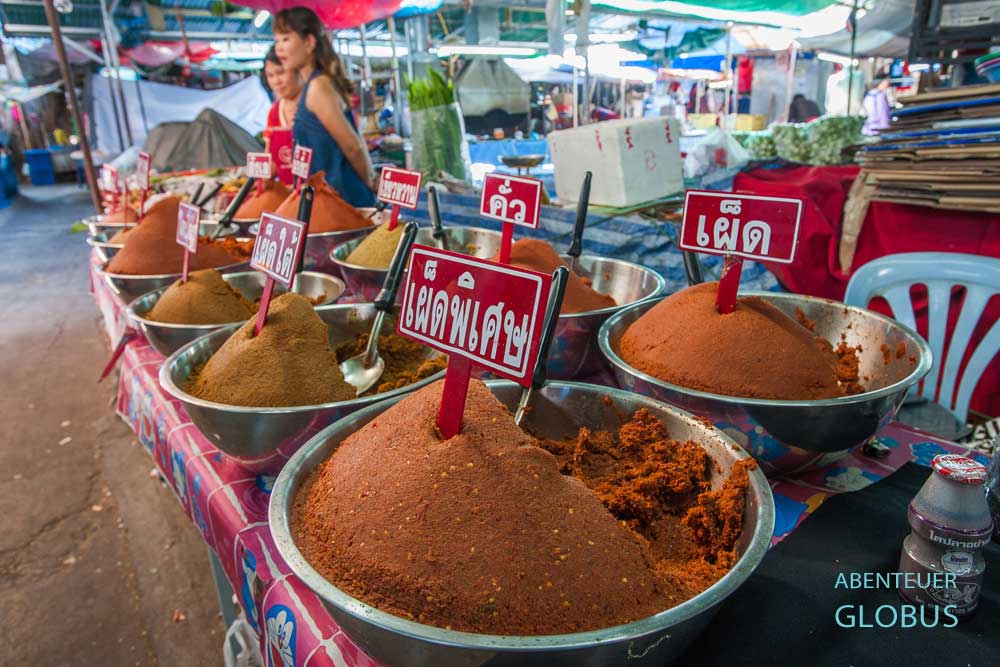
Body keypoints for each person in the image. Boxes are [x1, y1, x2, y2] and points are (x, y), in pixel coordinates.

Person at [272, 7, 375, 206]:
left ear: (309, 42)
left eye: (286, 39)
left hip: (344, 202)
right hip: (328, 202)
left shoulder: (318, 87)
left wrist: (372, 181)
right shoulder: (312, 85)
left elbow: (352, 146)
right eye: (277, 41)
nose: (279, 49)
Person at [261, 47, 301, 184]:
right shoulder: (274, 112)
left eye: (281, 72)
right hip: (290, 196)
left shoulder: (312, 106)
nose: (276, 81)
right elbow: (271, 162)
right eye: (270, 75)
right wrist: (260, 177)